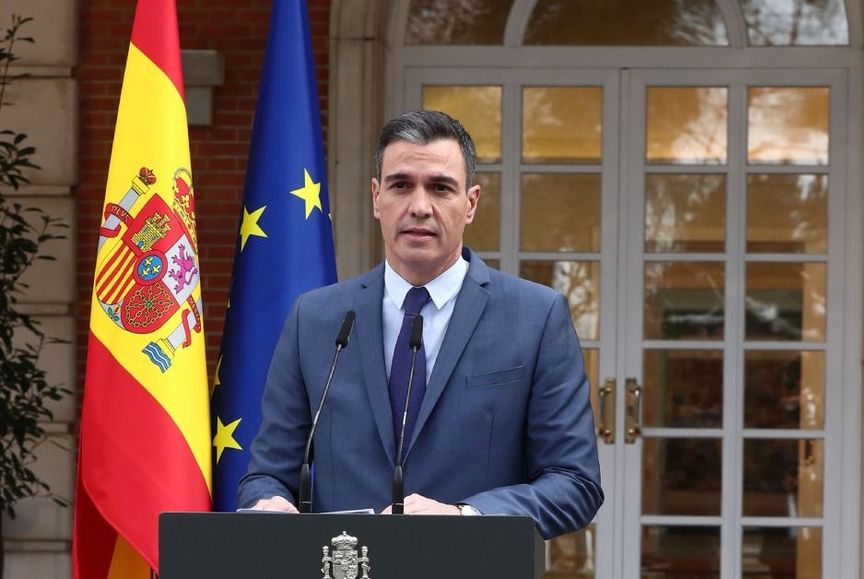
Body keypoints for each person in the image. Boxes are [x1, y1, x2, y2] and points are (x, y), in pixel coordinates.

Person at [237, 110, 603, 539]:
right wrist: (270, 503)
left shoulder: (536, 317)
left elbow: (574, 483)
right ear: (377, 197)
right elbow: (268, 473)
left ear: (471, 203)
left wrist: (466, 517)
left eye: (441, 188)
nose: (419, 207)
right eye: (401, 185)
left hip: (471, 564)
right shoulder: (315, 319)